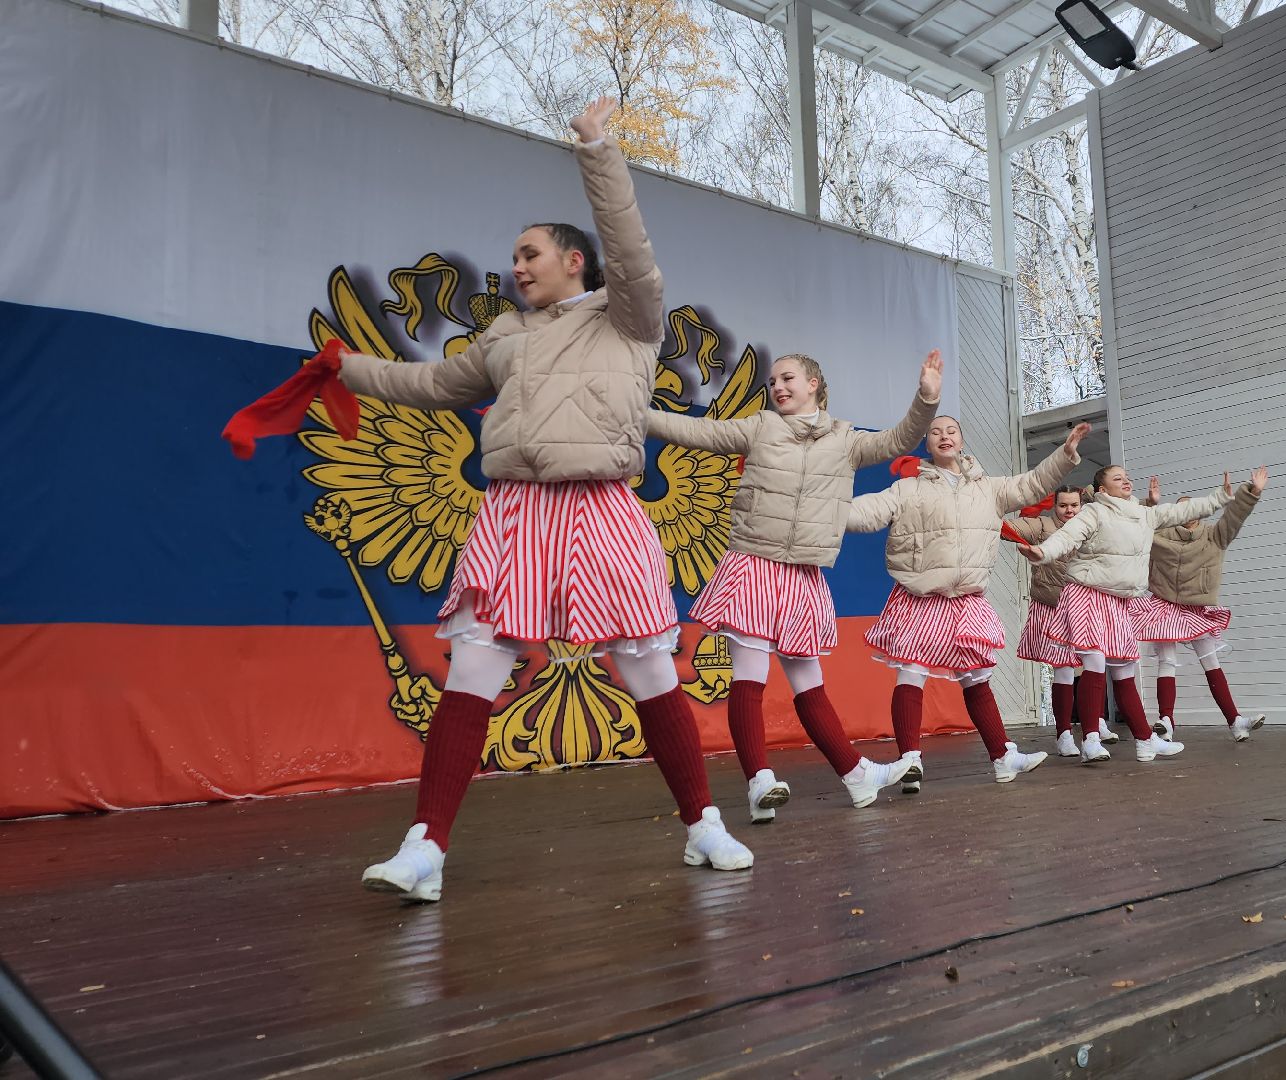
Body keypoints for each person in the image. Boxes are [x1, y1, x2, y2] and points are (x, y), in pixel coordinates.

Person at [244, 98, 757, 900]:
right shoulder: (504, 336)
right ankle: (425, 849)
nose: (516, 266)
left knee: (649, 669)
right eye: (514, 256)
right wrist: (344, 368)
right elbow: (430, 384)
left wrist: (599, 151)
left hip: (604, 509)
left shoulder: (628, 317)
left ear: (574, 261)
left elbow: (631, 249)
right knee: (474, 671)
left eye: (530, 253)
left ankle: (703, 825)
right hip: (515, 511)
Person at [645, 351, 942, 821]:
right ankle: (759, 781)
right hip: (754, 564)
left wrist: (926, 400)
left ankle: (856, 775)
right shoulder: (760, 427)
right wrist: (635, 413)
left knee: (809, 683)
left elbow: (900, 438)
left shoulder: (845, 439)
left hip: (803, 573)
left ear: (813, 383)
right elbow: (696, 432)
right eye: (772, 381)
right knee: (750, 675)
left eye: (787, 378)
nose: (777, 386)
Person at [845, 418, 1090, 789]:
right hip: (921, 594)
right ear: (927, 443)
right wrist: (825, 509)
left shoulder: (989, 488)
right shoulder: (907, 488)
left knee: (976, 677)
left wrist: (1065, 454)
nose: (944, 436)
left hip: (966, 598)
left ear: (961, 440)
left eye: (951, 431)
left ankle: (1003, 757)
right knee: (911, 672)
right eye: (935, 432)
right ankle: (909, 761)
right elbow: (867, 512)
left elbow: (1034, 483)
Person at [1016, 466, 1231, 762]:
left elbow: (1182, 511)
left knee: (1123, 669)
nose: (1126, 480)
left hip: (1118, 600)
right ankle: (1090, 740)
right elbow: (1067, 537)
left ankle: (1145, 740)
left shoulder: (1143, 514)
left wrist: (1220, 497)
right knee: (1094, 660)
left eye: (1126, 477)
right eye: (1117, 478)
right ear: (1103, 490)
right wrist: (1043, 552)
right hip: (1086, 593)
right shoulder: (1094, 512)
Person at [1138, 467, 1269, 739]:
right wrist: (1150, 504)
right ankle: (1166, 722)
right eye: (1182, 509)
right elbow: (1138, 524)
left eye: (1193, 508)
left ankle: (1235, 721)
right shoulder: (1160, 536)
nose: (1189, 513)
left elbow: (1234, 517)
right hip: (1165, 605)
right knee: (1167, 661)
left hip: (1196, 608)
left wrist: (1251, 492)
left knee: (1211, 660)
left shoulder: (1214, 536)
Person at [1001, 487, 1094, 757]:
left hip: (1085, 605)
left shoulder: (1090, 524)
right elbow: (1006, 529)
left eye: (1074, 505)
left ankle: (1095, 725)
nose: (1069, 510)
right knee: (1063, 669)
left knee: (1095, 664)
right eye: (1063, 505)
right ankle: (1064, 734)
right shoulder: (1042, 525)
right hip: (1053, 604)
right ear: (1054, 505)